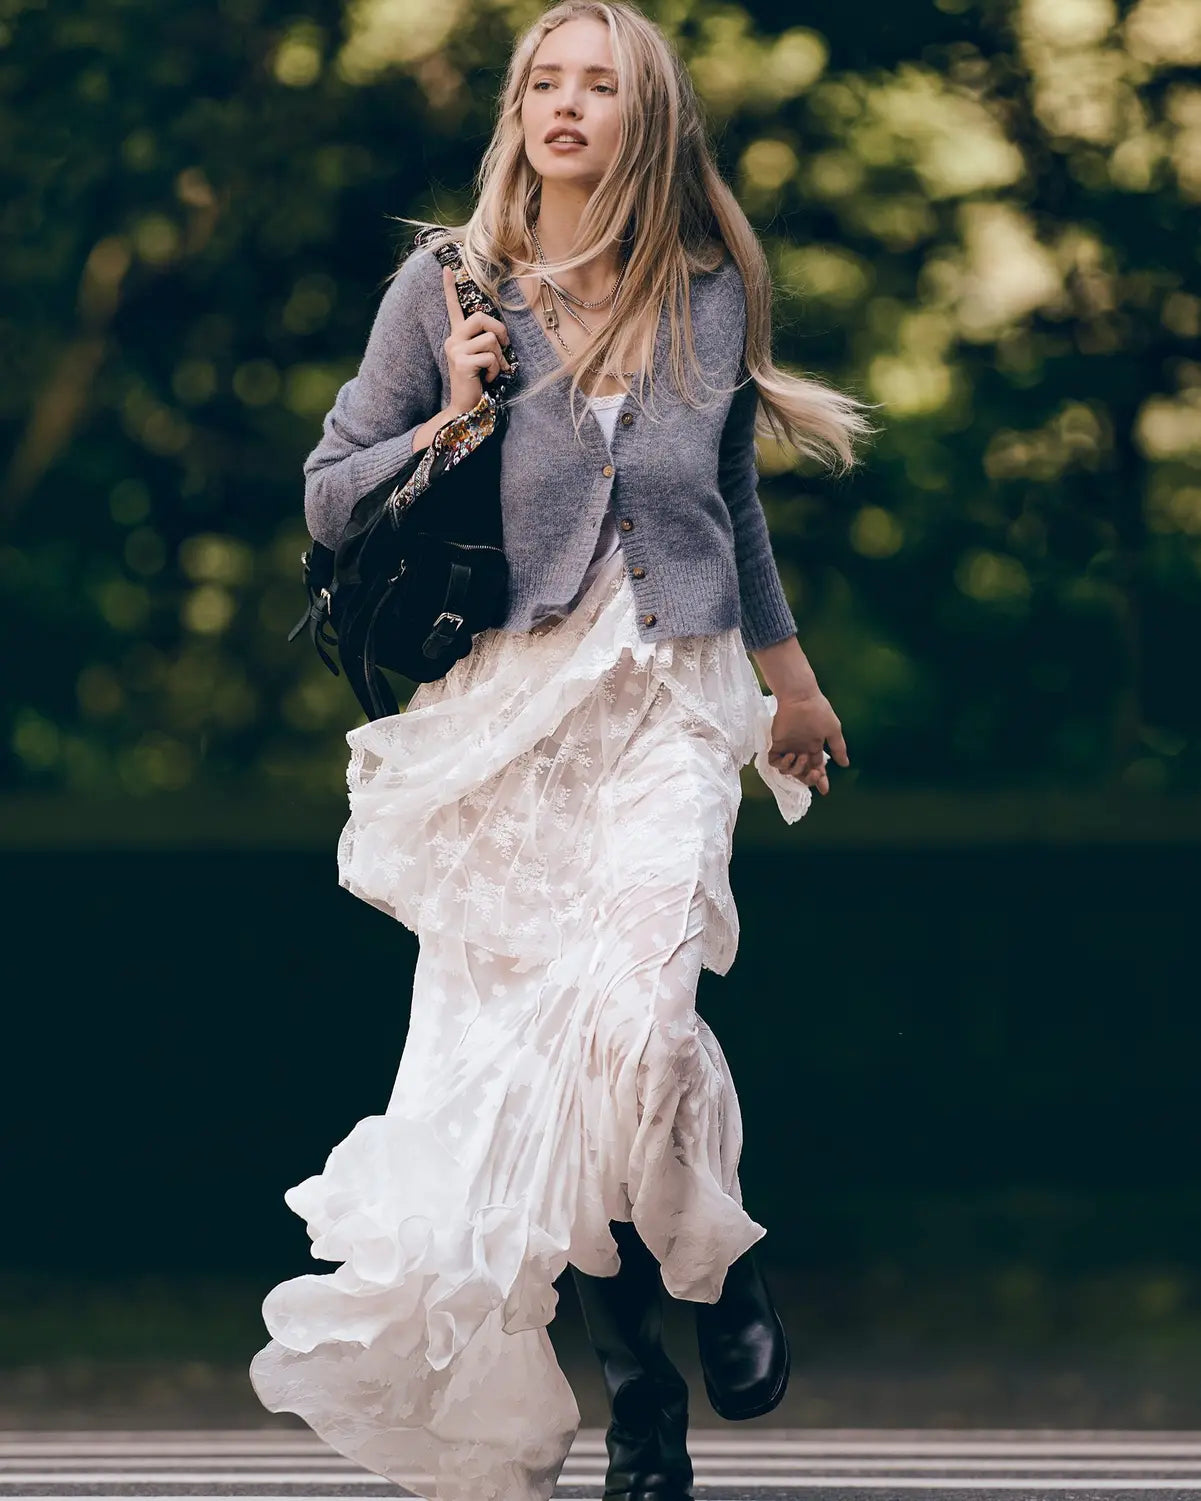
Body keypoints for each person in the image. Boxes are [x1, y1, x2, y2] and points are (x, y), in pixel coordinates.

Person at [249, 3, 871, 1498]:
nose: (567, 105)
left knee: (640, 1023)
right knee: (542, 1070)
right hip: (511, 720)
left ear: (648, 119)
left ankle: (718, 1267)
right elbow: (331, 494)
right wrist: (454, 414)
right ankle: (642, 1390)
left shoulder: (706, 292)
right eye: (545, 81)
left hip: (668, 704)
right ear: (518, 109)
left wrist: (790, 686)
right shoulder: (445, 287)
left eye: (600, 84)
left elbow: (729, 501)